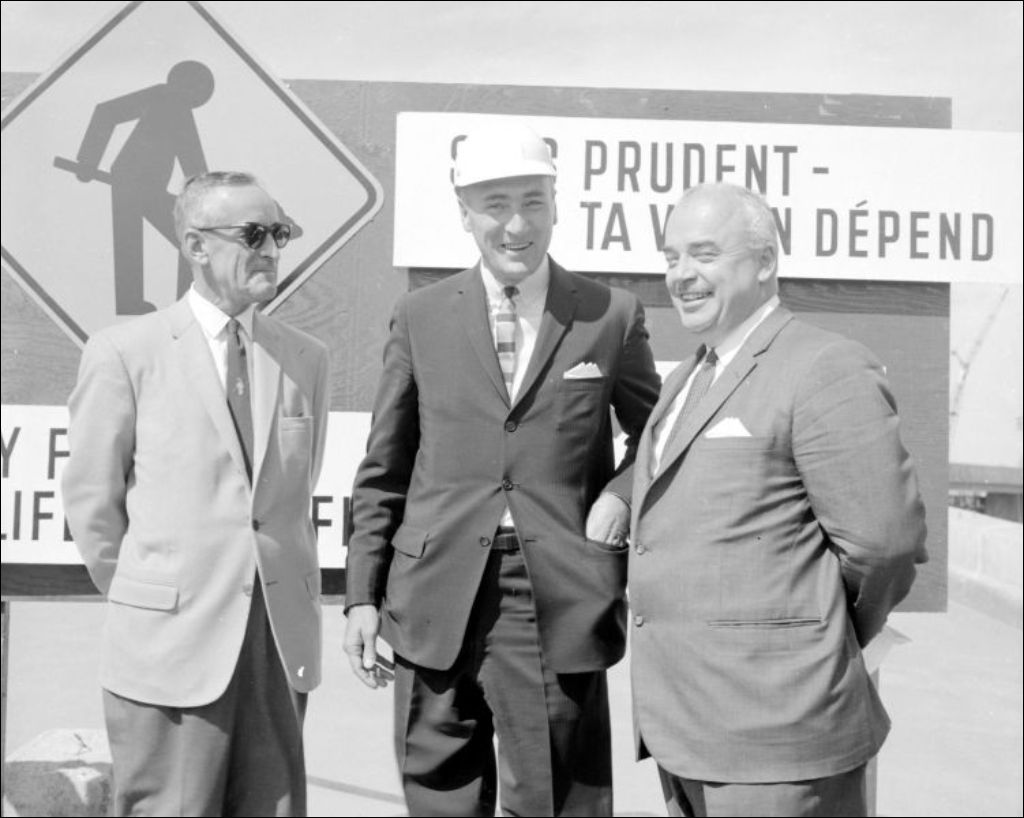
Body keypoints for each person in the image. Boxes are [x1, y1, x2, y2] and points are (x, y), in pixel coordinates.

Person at [344, 120, 661, 817]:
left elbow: (662, 437)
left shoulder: (609, 315)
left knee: (557, 801)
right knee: (438, 796)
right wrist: (362, 594)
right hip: (432, 595)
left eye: (532, 202)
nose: (516, 225)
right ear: (464, 213)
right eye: (495, 205)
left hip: (554, 595)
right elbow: (385, 465)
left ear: (556, 204)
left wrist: (620, 495)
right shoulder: (420, 316)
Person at [628, 182, 929, 817]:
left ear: (765, 261)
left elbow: (884, 545)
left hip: (779, 738)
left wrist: (825, 634)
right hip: (686, 732)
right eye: (671, 257)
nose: (681, 275)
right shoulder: (686, 377)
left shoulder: (823, 366)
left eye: (704, 254)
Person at [62, 171, 330, 816]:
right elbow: (94, 506)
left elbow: (289, 498)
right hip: (168, 649)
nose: (271, 249)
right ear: (196, 245)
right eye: (254, 234)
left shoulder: (305, 358)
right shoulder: (125, 353)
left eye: (281, 233)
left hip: (274, 646)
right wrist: (151, 596)